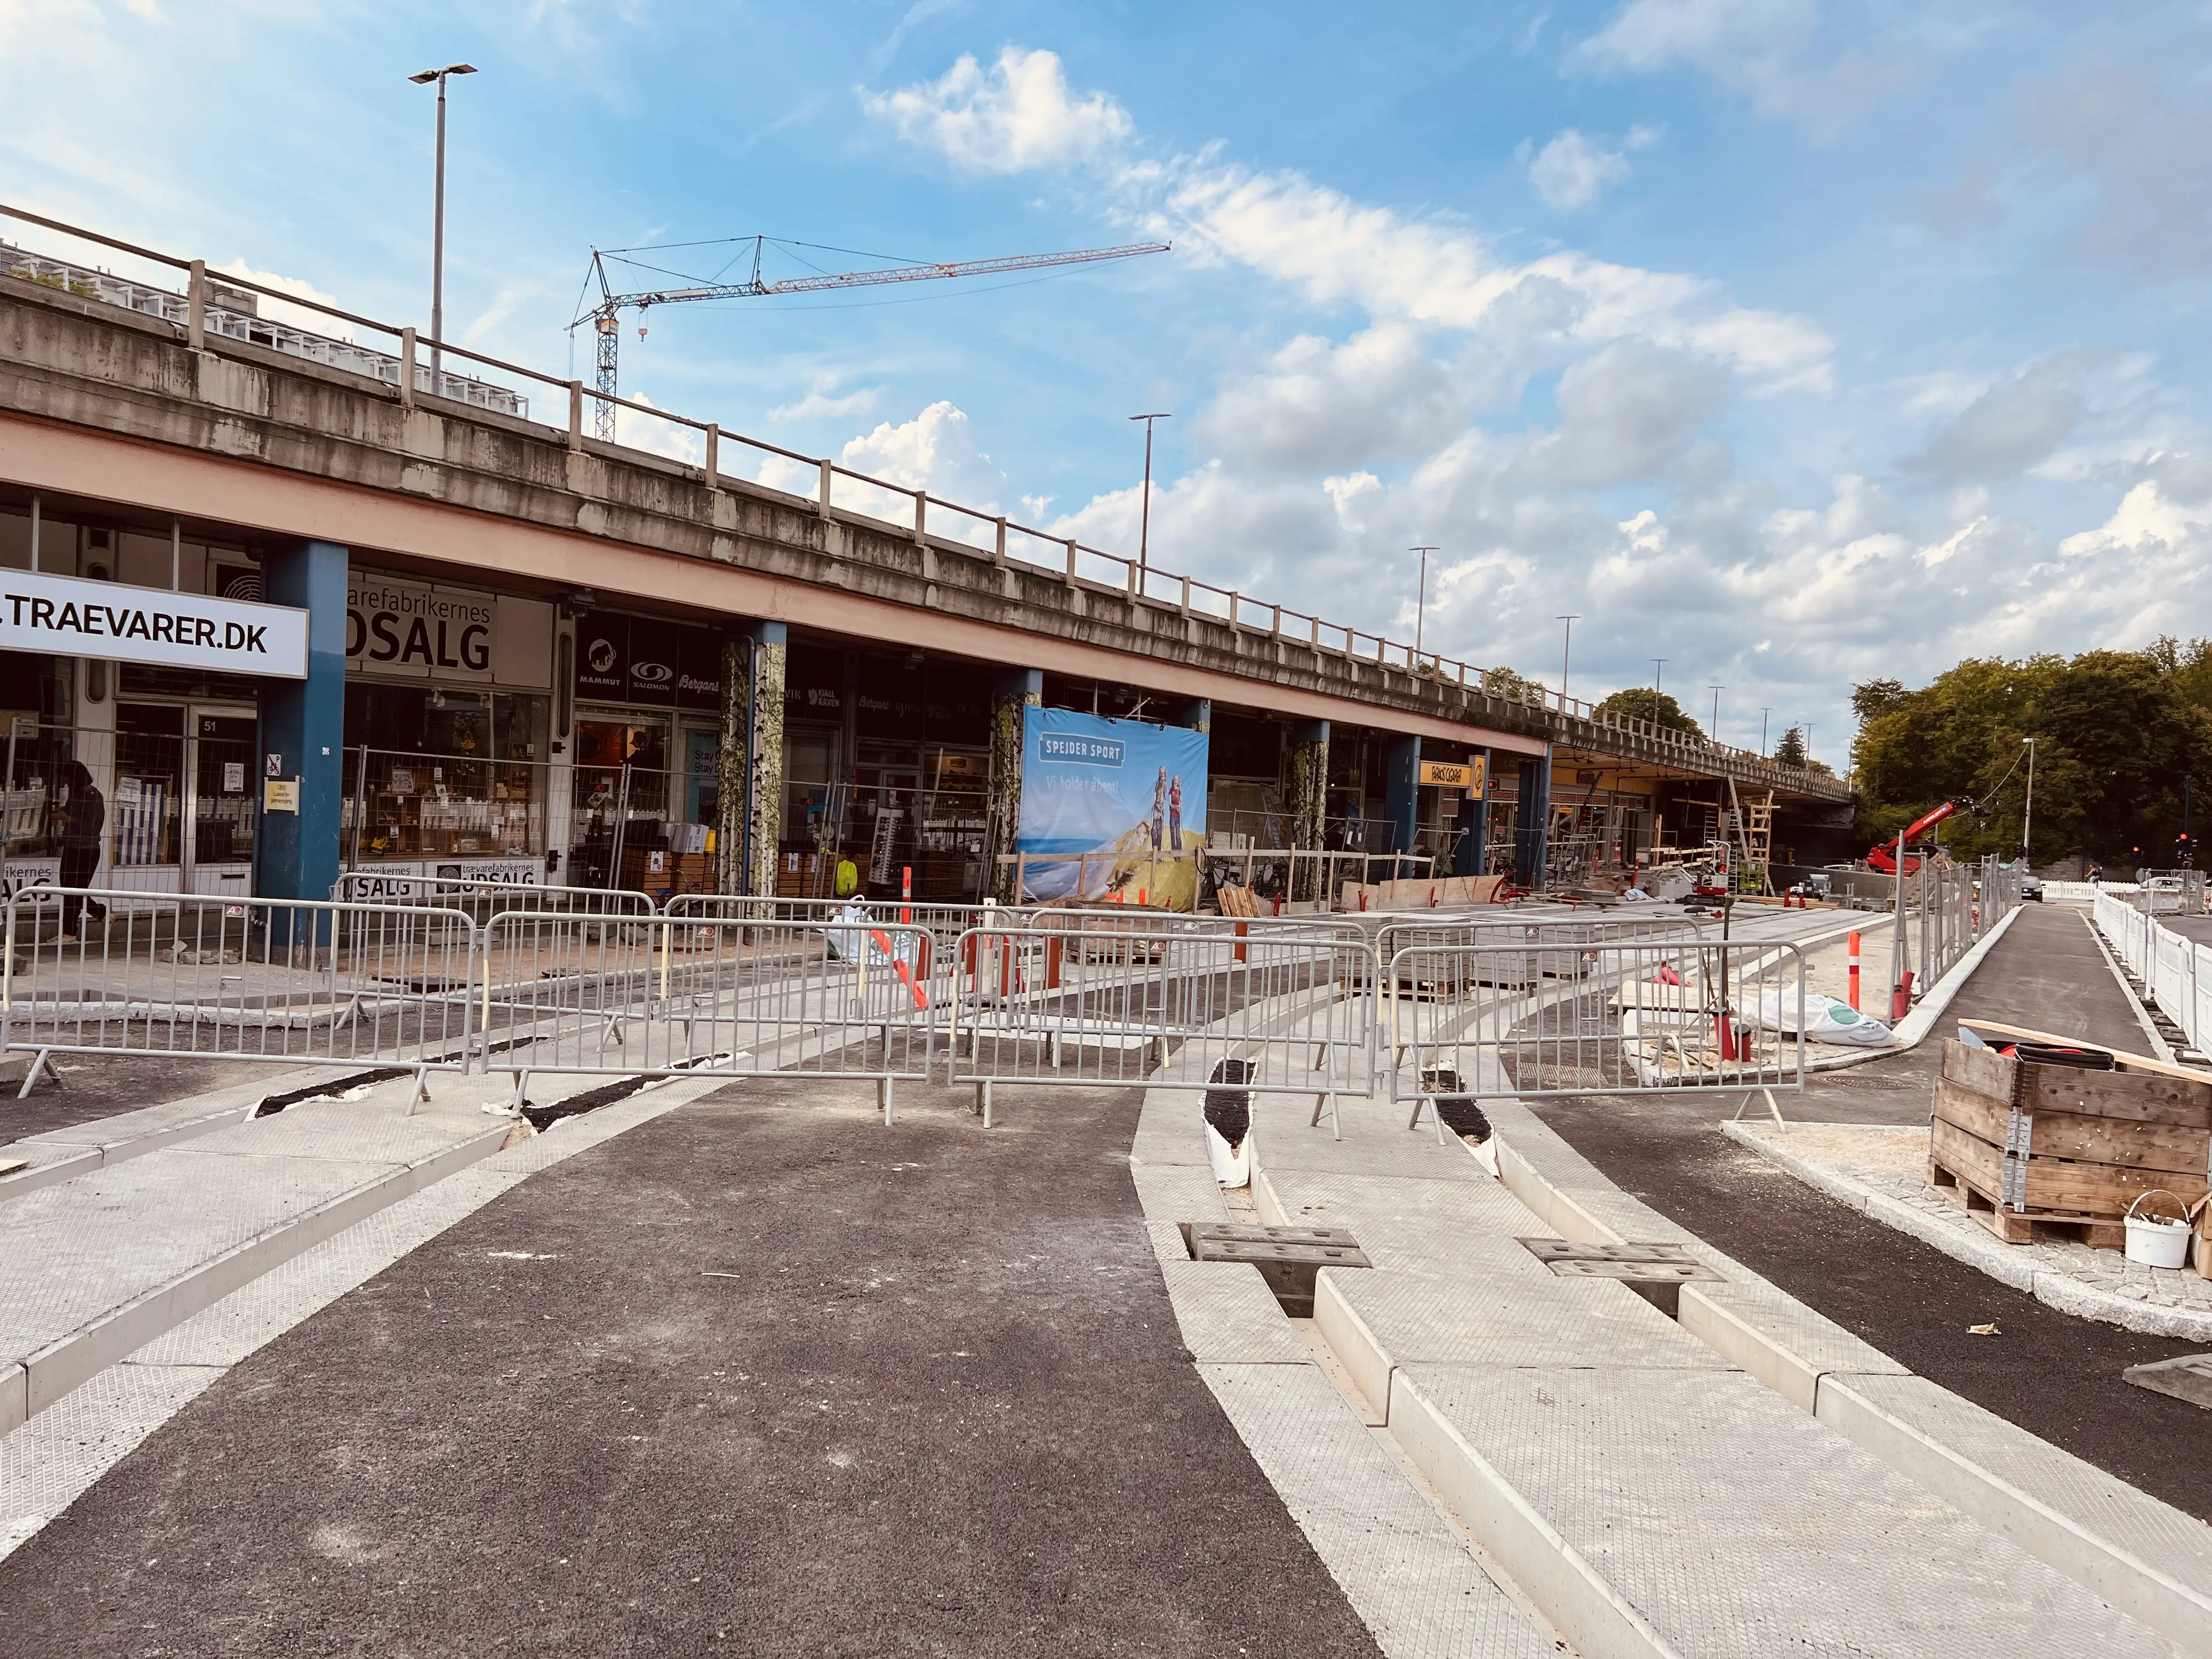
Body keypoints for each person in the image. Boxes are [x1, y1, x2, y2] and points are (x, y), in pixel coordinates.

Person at [56, 761, 107, 943]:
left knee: (74, 891)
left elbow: (89, 826)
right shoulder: (77, 794)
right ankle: (101, 914)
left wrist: (67, 818)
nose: (68, 783)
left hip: (85, 850)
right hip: (73, 847)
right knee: (71, 890)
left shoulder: (92, 796)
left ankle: (70, 933)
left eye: (69, 780)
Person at [1167, 775, 1183, 851]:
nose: (1175, 781)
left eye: (1176, 780)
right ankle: (1174, 853)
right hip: (1173, 816)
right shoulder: (1171, 791)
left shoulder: (1179, 791)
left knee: (1178, 835)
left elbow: (1180, 802)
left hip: (1178, 816)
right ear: (1173, 781)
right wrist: (1174, 807)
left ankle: (1179, 852)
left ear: (1178, 781)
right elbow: (1170, 803)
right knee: (1173, 834)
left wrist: (1179, 808)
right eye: (1174, 780)